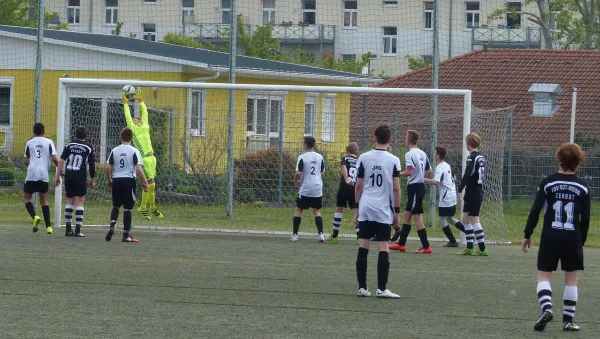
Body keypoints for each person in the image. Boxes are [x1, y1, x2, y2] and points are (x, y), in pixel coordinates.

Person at [522, 143, 589, 332]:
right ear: (579, 162)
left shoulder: (548, 183)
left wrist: (528, 234)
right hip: (572, 237)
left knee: (544, 274)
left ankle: (546, 308)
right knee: (571, 279)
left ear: (558, 159)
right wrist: (580, 240)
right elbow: (585, 218)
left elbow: (535, 211)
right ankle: (568, 320)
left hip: (550, 235)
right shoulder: (582, 186)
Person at [354, 125, 401, 299]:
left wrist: (356, 209)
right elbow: (396, 189)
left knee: (363, 245)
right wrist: (396, 212)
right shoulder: (394, 160)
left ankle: (362, 288)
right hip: (383, 209)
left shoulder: (364, 158)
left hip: (366, 206)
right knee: (383, 246)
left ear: (374, 138)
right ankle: (381, 288)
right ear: (390, 139)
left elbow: (358, 185)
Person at [121, 89, 163, 220]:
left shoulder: (145, 126)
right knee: (150, 183)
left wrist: (141, 101)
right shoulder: (134, 130)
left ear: (139, 121)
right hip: (144, 158)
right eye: (133, 120)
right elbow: (128, 116)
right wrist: (125, 103)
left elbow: (145, 112)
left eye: (136, 119)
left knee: (152, 183)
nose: (134, 120)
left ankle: (151, 207)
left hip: (152, 157)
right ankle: (145, 207)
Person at [390, 130, 432, 254]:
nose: (404, 139)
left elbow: (409, 171)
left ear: (409, 139)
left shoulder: (409, 154)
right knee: (407, 215)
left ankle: (426, 247)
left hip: (414, 187)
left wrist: (396, 174)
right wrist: (421, 177)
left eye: (405, 137)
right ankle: (401, 244)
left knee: (417, 217)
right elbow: (429, 170)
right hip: (419, 187)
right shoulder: (422, 153)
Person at [104, 128, 149, 243]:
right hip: (129, 181)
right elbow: (138, 169)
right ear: (131, 138)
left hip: (117, 180)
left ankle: (112, 226)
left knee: (116, 206)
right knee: (128, 208)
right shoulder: (134, 151)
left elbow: (108, 167)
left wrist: (109, 180)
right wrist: (145, 182)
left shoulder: (115, 150)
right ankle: (126, 235)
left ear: (120, 137)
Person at [55, 127, 96, 237]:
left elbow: (61, 161)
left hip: (69, 175)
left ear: (75, 135)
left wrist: (57, 176)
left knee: (69, 201)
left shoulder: (69, 145)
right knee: (79, 202)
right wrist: (92, 179)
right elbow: (92, 165)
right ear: (86, 136)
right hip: (80, 176)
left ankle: (68, 229)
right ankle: (77, 230)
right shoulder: (88, 147)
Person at [424, 147, 466, 247]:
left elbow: (436, 181)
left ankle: (452, 241)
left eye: (435, 153)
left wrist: (424, 179)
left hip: (446, 198)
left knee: (442, 220)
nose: (434, 155)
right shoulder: (447, 165)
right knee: (450, 218)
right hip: (452, 195)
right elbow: (453, 179)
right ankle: (469, 232)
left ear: (438, 156)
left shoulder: (440, 167)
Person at [24, 122, 58, 234]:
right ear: (44, 131)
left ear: (33, 131)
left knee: (27, 198)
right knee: (44, 200)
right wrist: (60, 169)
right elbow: (54, 159)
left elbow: (26, 161)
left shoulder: (29, 143)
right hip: (43, 174)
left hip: (31, 174)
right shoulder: (49, 142)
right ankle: (48, 226)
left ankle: (34, 217)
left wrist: (31, 163)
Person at [456, 132, 488, 256]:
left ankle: (482, 248)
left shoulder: (472, 157)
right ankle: (470, 247)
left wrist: (460, 189)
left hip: (473, 192)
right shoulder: (481, 157)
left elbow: (467, 174)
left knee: (474, 220)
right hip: (476, 191)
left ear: (468, 144)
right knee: (466, 220)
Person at [291, 136, 325, 242]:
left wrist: (295, 181)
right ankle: (321, 235)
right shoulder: (320, 157)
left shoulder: (302, 157)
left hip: (305, 187)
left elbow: (298, 172)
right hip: (317, 187)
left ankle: (295, 235)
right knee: (316, 210)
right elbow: (322, 172)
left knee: (299, 209)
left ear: (305, 144)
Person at [327, 142, 359, 244]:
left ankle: (335, 236)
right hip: (355, 188)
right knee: (356, 210)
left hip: (345, 187)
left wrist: (346, 179)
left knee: (339, 209)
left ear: (348, 151)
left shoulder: (345, 159)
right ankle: (359, 238)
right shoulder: (359, 161)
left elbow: (344, 167)